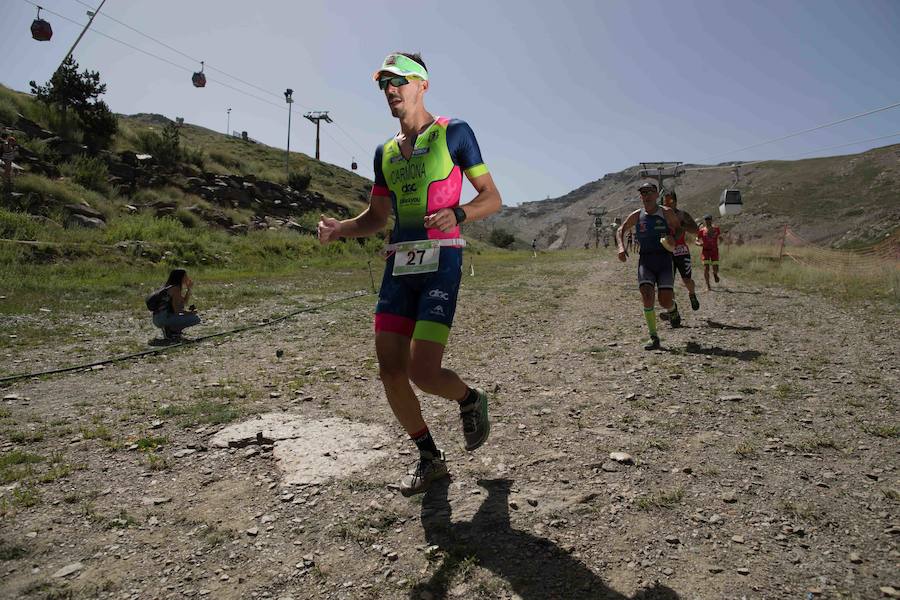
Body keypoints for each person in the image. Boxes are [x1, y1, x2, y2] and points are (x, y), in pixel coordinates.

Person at [317, 52, 501, 497]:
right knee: (390, 371)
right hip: (400, 264)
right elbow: (377, 217)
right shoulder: (384, 152)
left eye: (399, 80)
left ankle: (469, 399)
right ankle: (429, 457)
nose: (390, 90)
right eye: (384, 84)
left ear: (422, 85)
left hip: (443, 259)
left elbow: (492, 198)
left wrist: (458, 212)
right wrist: (343, 228)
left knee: (422, 370)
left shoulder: (455, 133)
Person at [616, 181, 682, 350]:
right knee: (646, 295)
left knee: (665, 301)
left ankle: (673, 309)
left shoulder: (666, 213)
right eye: (643, 193)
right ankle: (654, 337)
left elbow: (679, 228)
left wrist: (674, 238)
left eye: (649, 192)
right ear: (641, 196)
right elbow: (621, 229)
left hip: (665, 260)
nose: (646, 195)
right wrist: (621, 246)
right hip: (646, 260)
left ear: (656, 195)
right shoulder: (637, 215)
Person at [661, 190, 700, 311]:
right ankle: (672, 311)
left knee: (687, 280)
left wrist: (683, 225)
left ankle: (692, 294)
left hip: (682, 252)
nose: (668, 203)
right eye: (665, 201)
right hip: (666, 253)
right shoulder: (660, 216)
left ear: (676, 201)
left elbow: (695, 229)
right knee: (668, 284)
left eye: (670, 200)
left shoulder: (683, 215)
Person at [150, 269, 200, 341]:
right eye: (185, 276)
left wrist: (189, 289)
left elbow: (183, 302)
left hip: (157, 318)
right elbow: (177, 310)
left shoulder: (169, 287)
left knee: (188, 316)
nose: (188, 278)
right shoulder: (175, 289)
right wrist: (190, 313)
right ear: (180, 277)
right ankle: (171, 330)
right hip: (164, 318)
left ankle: (172, 331)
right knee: (195, 319)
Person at [696, 214, 722, 290]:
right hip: (705, 251)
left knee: (716, 268)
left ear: (711, 220)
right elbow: (696, 240)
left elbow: (720, 237)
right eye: (706, 219)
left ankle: (715, 274)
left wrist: (721, 240)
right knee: (706, 268)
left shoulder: (716, 229)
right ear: (704, 221)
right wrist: (699, 243)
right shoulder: (702, 230)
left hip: (714, 251)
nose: (707, 221)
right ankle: (708, 286)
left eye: (709, 219)